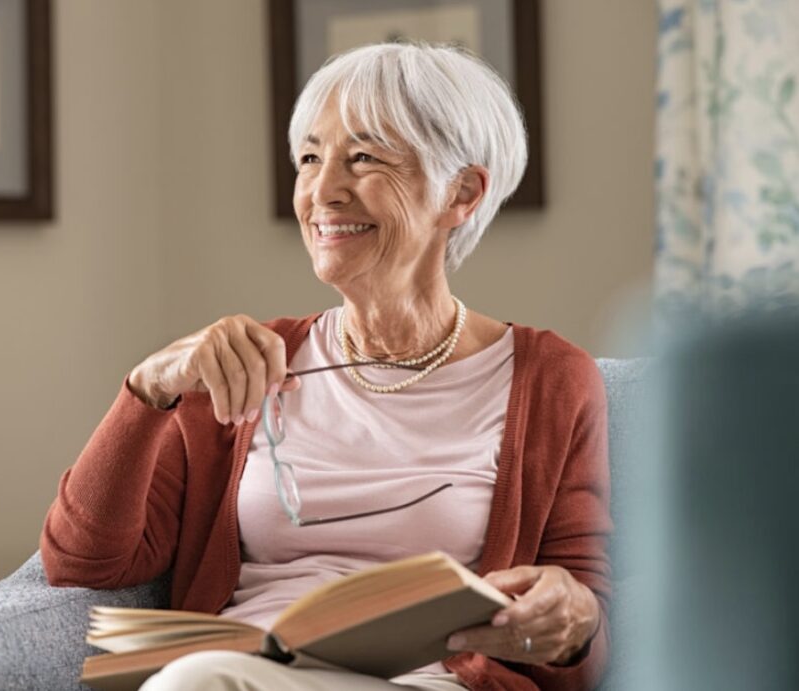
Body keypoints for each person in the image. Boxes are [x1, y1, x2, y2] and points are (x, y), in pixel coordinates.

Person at [41, 42, 611, 691]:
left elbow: (583, 634)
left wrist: (575, 616)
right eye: (310, 158)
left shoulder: (551, 379)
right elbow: (83, 562)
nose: (321, 191)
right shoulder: (245, 363)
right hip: (246, 668)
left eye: (363, 158)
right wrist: (147, 391)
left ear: (462, 191)